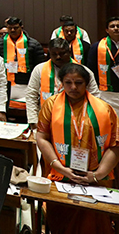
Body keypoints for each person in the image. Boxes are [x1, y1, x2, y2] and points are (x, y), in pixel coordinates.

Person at [36, 63, 119, 233]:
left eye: (78, 83)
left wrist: (96, 175)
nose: (73, 87)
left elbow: (115, 145)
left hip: (96, 180)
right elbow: (42, 137)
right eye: (68, 82)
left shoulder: (104, 108)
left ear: (86, 83)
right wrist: (61, 168)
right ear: (62, 83)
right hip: (61, 176)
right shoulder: (51, 105)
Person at [27, 38, 100, 129]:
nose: (58, 57)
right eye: (54, 54)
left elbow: (95, 97)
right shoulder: (39, 69)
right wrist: (33, 120)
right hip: (46, 119)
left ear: (69, 52)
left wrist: (90, 121)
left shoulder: (84, 71)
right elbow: (31, 95)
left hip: (76, 121)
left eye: (62, 53)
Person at [0, 17, 46, 85]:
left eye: (15, 28)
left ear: (21, 27)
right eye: (10, 28)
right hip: (5, 81)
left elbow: (39, 65)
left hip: (27, 81)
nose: (12, 30)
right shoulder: (0, 43)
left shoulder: (33, 44)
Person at [88, 16, 119, 93]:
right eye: (112, 26)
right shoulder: (97, 46)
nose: (116, 28)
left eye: (118, 26)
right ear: (107, 30)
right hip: (105, 89)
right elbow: (91, 68)